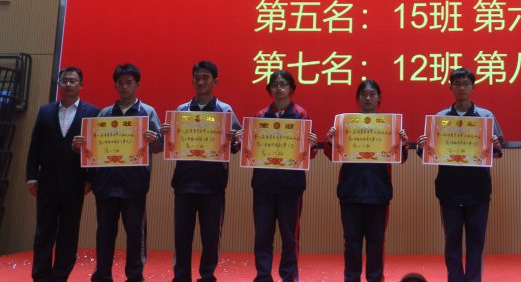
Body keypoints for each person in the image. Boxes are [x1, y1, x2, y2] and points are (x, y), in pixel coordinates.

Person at [78, 63, 163, 282]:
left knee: (135, 234)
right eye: (120, 83)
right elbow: (94, 149)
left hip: (135, 185)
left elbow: (159, 147)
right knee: (105, 233)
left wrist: (153, 139)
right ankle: (102, 274)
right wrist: (83, 147)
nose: (124, 87)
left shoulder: (148, 112)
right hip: (105, 185)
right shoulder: (104, 113)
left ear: (137, 85)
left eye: (129, 83)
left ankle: (135, 275)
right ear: (115, 85)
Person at [417, 68, 503, 282]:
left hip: (478, 190)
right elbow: (428, 152)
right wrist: (422, 146)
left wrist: (495, 145)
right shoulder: (439, 118)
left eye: (466, 84)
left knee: (476, 242)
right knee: (452, 242)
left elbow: (498, 150)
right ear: (451, 88)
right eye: (457, 84)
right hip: (449, 189)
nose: (462, 88)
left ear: (473, 87)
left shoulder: (486, 116)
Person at [161, 60, 242, 282]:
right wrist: (166, 134)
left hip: (213, 185)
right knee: (182, 237)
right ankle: (181, 276)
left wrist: (235, 139)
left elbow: (236, 146)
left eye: (205, 77)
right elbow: (171, 145)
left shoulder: (225, 111)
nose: (201, 81)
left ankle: (207, 275)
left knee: (211, 237)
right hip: (184, 183)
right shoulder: (181, 111)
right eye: (197, 77)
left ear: (215, 81)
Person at [324, 79, 409, 282]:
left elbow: (401, 158)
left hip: (378, 191)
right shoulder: (346, 124)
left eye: (372, 94)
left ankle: (375, 279)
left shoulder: (389, 126)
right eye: (363, 94)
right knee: (351, 242)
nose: (368, 98)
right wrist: (330, 141)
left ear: (379, 98)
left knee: (376, 243)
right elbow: (331, 155)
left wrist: (403, 144)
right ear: (358, 98)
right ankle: (351, 278)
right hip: (350, 190)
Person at [26, 65, 99, 282]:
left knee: (68, 232)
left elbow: (95, 150)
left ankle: (60, 275)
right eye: (64, 81)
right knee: (44, 231)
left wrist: (90, 178)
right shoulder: (45, 111)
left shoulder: (92, 113)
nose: (68, 84)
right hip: (47, 181)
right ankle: (41, 275)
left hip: (75, 182)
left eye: (72, 81)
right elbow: (34, 147)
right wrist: (31, 176)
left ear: (81, 85)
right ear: (59, 84)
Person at [249, 69, 318, 282]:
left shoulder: (301, 114)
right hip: (263, 184)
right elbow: (253, 151)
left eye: (283, 84)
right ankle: (263, 275)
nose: (278, 88)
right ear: (269, 89)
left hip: (291, 185)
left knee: (290, 236)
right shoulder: (261, 116)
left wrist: (311, 145)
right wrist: (246, 141)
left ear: (291, 88)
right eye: (274, 85)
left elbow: (309, 154)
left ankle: (289, 276)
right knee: (263, 235)